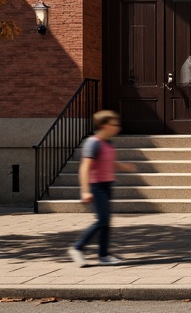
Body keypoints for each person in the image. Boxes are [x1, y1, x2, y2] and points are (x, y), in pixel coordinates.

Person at [68, 110, 134, 266]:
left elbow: (109, 162)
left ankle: (103, 255)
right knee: (102, 220)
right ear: (104, 125)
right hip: (96, 186)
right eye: (114, 124)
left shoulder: (107, 143)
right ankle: (77, 247)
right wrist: (85, 191)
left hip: (107, 184)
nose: (117, 127)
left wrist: (124, 167)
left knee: (106, 221)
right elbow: (85, 168)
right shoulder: (93, 142)